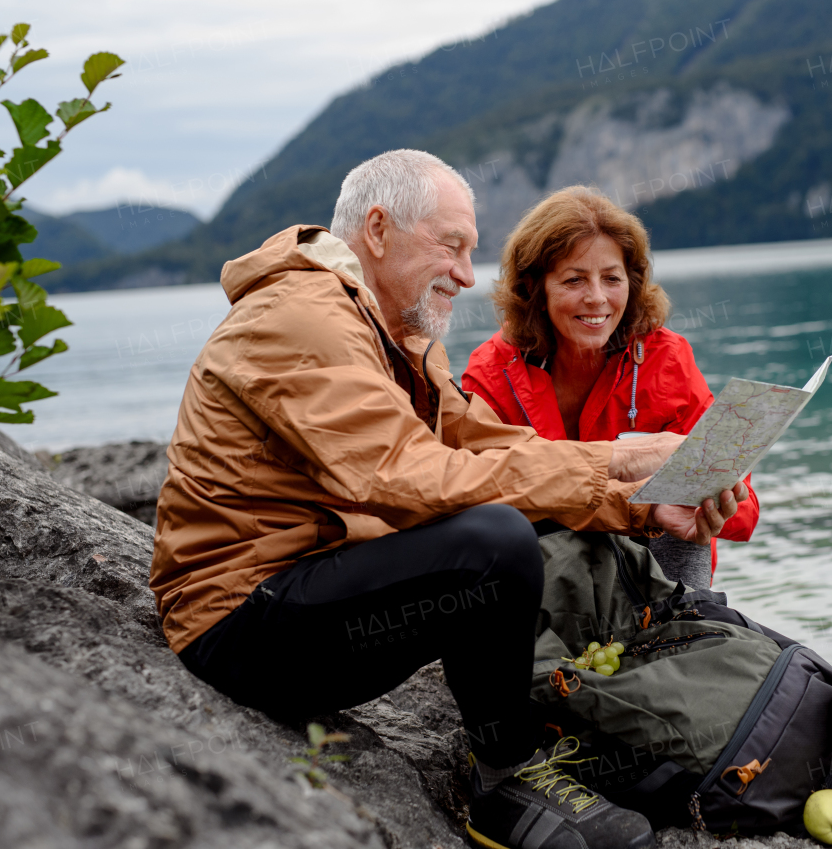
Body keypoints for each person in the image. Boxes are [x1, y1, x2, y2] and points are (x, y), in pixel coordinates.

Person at [149, 150, 747, 849]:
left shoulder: (395, 331)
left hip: (310, 592)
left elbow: (493, 446)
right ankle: (504, 780)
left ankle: (539, 749)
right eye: (452, 246)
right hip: (237, 624)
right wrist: (613, 464)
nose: (467, 273)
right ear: (378, 229)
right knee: (490, 542)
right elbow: (404, 474)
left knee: (501, 530)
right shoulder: (302, 318)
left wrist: (638, 491)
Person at [462, 187, 760, 590]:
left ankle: (677, 633)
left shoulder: (666, 358)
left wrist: (717, 497)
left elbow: (744, 514)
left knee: (682, 533)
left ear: (632, 283)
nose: (597, 298)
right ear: (534, 288)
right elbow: (479, 501)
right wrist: (634, 480)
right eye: (574, 279)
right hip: (543, 574)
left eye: (611, 278)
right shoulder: (491, 371)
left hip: (652, 575)